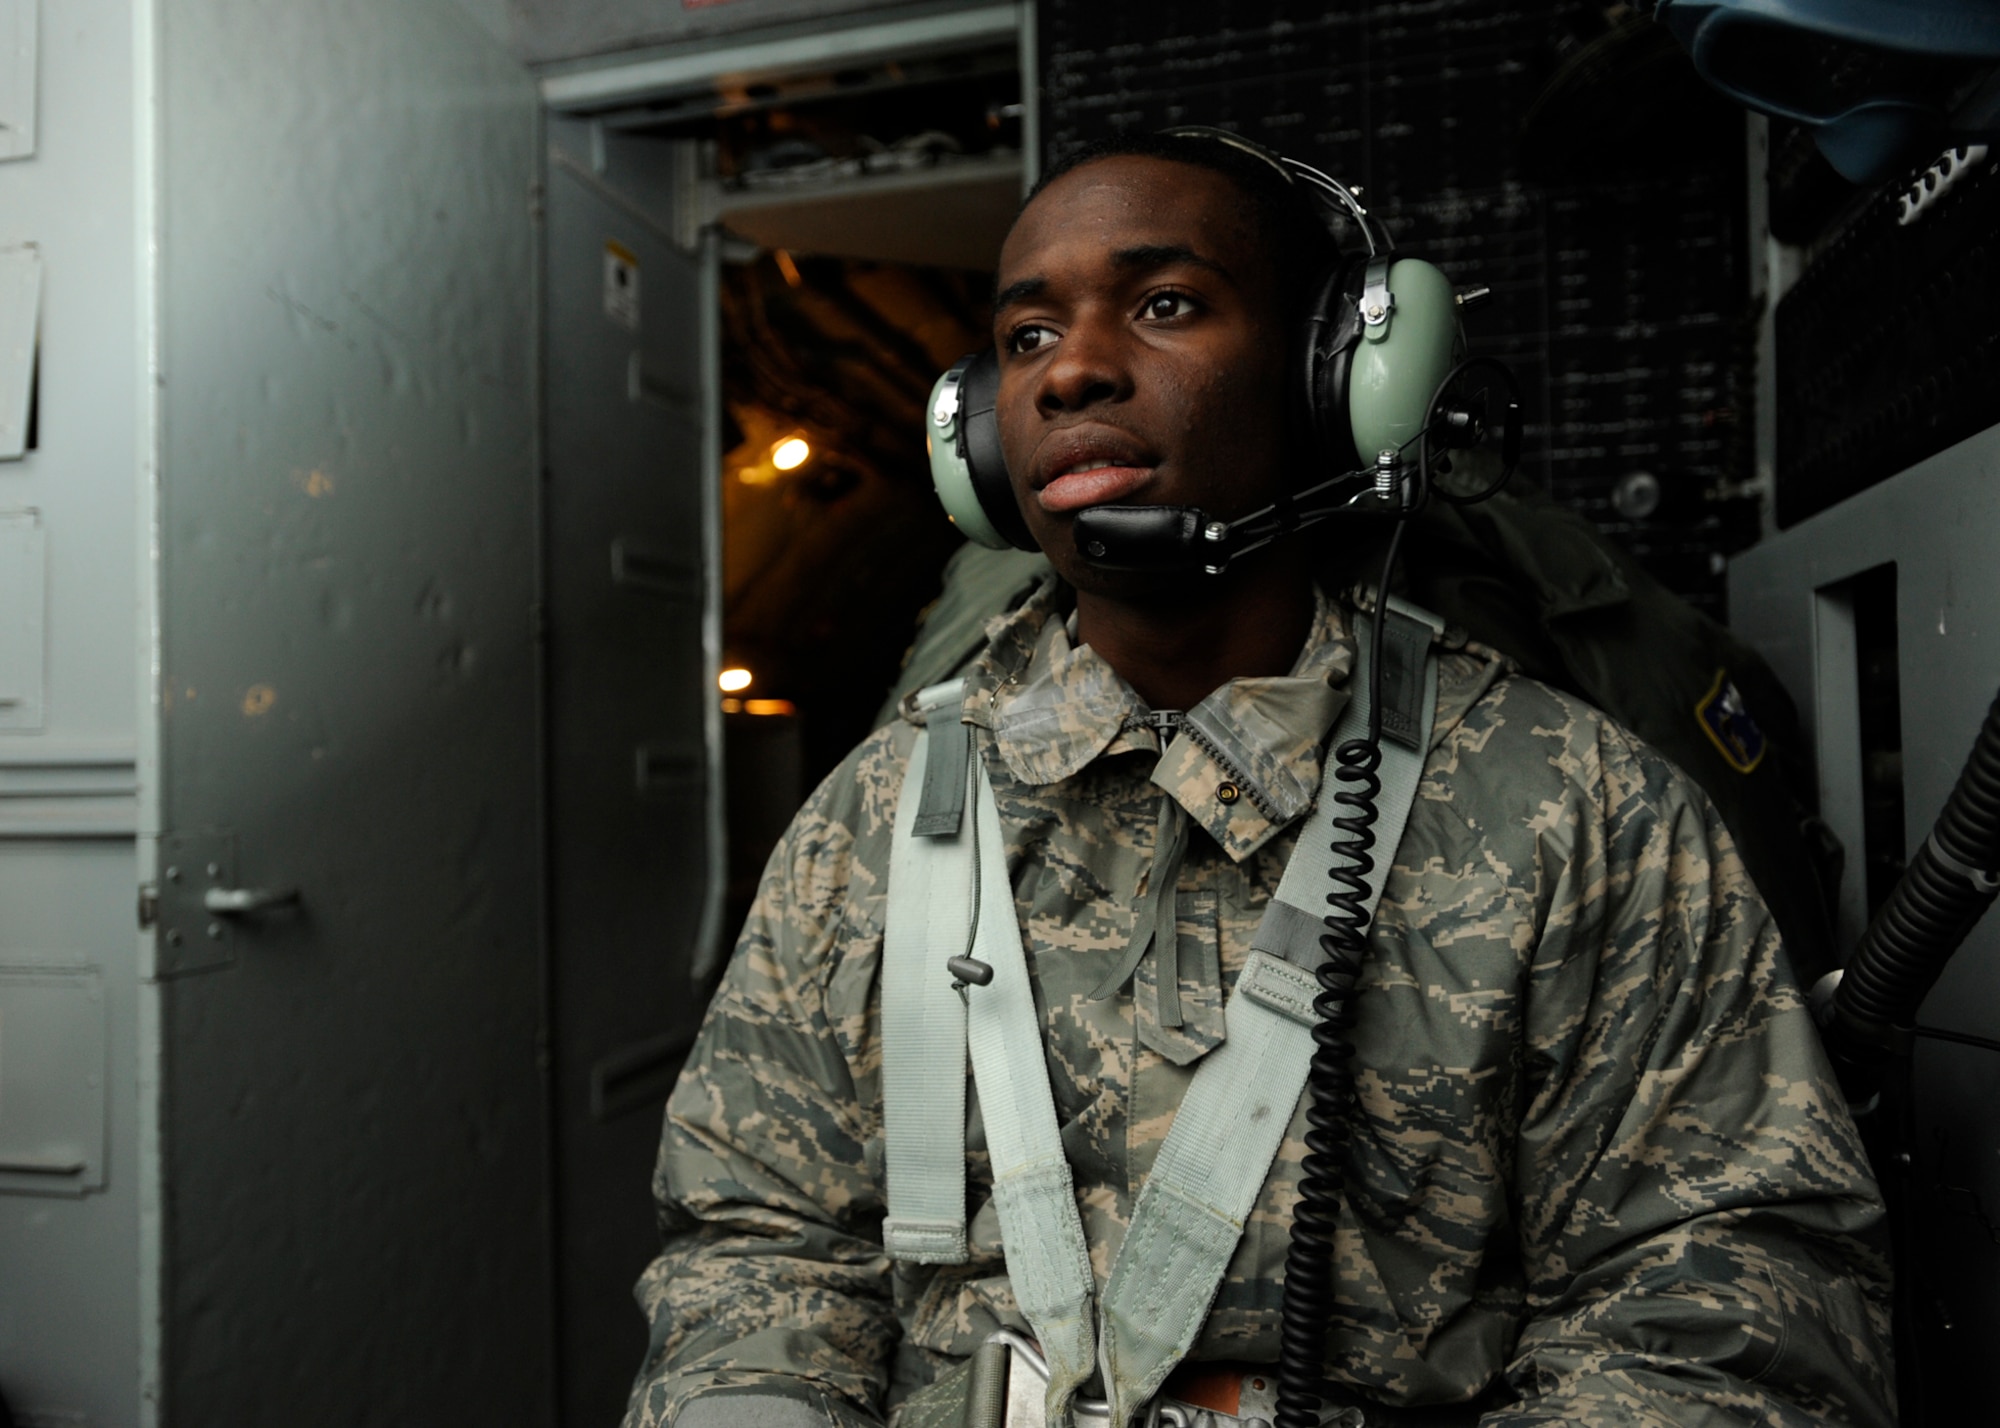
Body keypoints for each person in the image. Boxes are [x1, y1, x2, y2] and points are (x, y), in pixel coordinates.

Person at [625, 132, 1894, 1428]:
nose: (1072, 370)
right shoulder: (871, 826)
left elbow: (1731, 1296)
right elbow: (759, 1249)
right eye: (1023, 337)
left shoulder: (1578, 815)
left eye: (1165, 304)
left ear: (1338, 376)